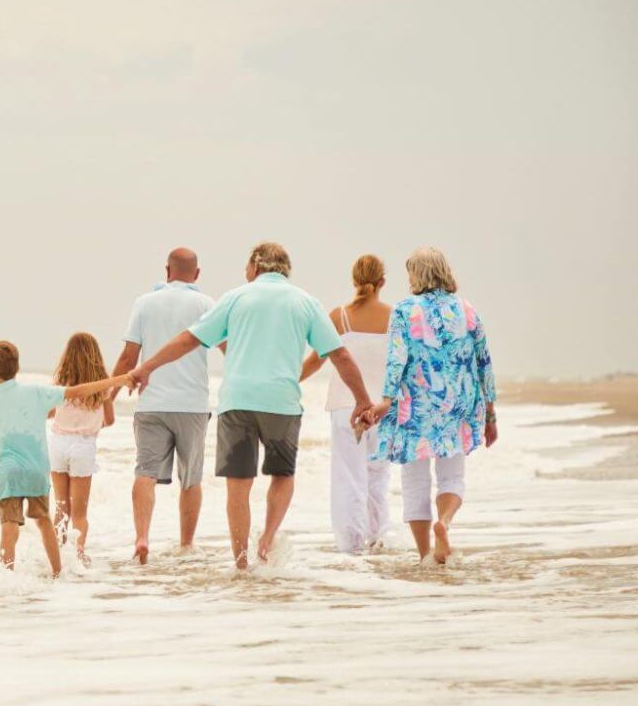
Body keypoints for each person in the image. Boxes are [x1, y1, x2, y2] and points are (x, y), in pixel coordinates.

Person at [129, 242, 374, 568]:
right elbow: (339, 354)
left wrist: (148, 367)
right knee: (282, 475)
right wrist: (362, 400)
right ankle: (267, 538)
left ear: (256, 267)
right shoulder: (305, 302)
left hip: (238, 403)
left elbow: (189, 339)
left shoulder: (235, 298)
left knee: (238, 485)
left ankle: (241, 561)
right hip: (281, 403)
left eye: (247, 267)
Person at [366, 247, 498, 565]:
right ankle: (446, 523)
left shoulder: (404, 310)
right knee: (452, 476)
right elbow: (484, 362)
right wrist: (490, 414)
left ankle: (426, 554)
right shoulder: (467, 310)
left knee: (415, 481)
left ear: (418, 275)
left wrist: (386, 399)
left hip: (416, 406)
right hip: (460, 404)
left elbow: (396, 359)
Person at [0, 340, 131, 576]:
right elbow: (79, 391)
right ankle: (58, 572)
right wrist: (118, 380)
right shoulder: (36, 392)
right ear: (17, 367)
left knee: (9, 527)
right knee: (44, 522)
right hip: (36, 469)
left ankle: (6, 576)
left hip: (8, 471)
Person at [112, 247, 216, 564]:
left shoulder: (144, 302)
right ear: (197, 274)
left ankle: (142, 538)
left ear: (166, 270)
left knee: (145, 472)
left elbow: (129, 358)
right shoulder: (207, 304)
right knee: (191, 479)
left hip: (152, 404)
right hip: (192, 404)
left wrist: (107, 400)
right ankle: (186, 545)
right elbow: (230, 348)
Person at [300, 254, 392, 554]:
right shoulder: (395, 317)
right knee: (378, 476)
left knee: (348, 478)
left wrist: (288, 383)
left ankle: (351, 547)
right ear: (382, 282)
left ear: (354, 281)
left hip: (345, 407)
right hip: (383, 408)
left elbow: (314, 362)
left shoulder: (339, 317)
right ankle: (378, 539)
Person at [48, 332, 116, 566]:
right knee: (80, 512)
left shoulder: (60, 383)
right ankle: (78, 554)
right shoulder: (102, 385)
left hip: (57, 445)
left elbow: (49, 412)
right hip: (84, 446)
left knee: (61, 506)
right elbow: (110, 419)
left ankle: (57, 553)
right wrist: (91, 423)